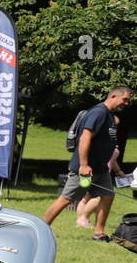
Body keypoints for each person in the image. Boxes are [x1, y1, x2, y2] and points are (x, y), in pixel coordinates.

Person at [44, 86, 131, 239]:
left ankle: (99, 232)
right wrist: (84, 165)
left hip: (100, 169)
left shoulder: (109, 115)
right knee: (66, 199)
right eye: (124, 99)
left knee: (108, 195)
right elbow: (85, 138)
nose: (126, 103)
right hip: (86, 169)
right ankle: (41, 228)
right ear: (113, 97)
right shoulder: (98, 112)